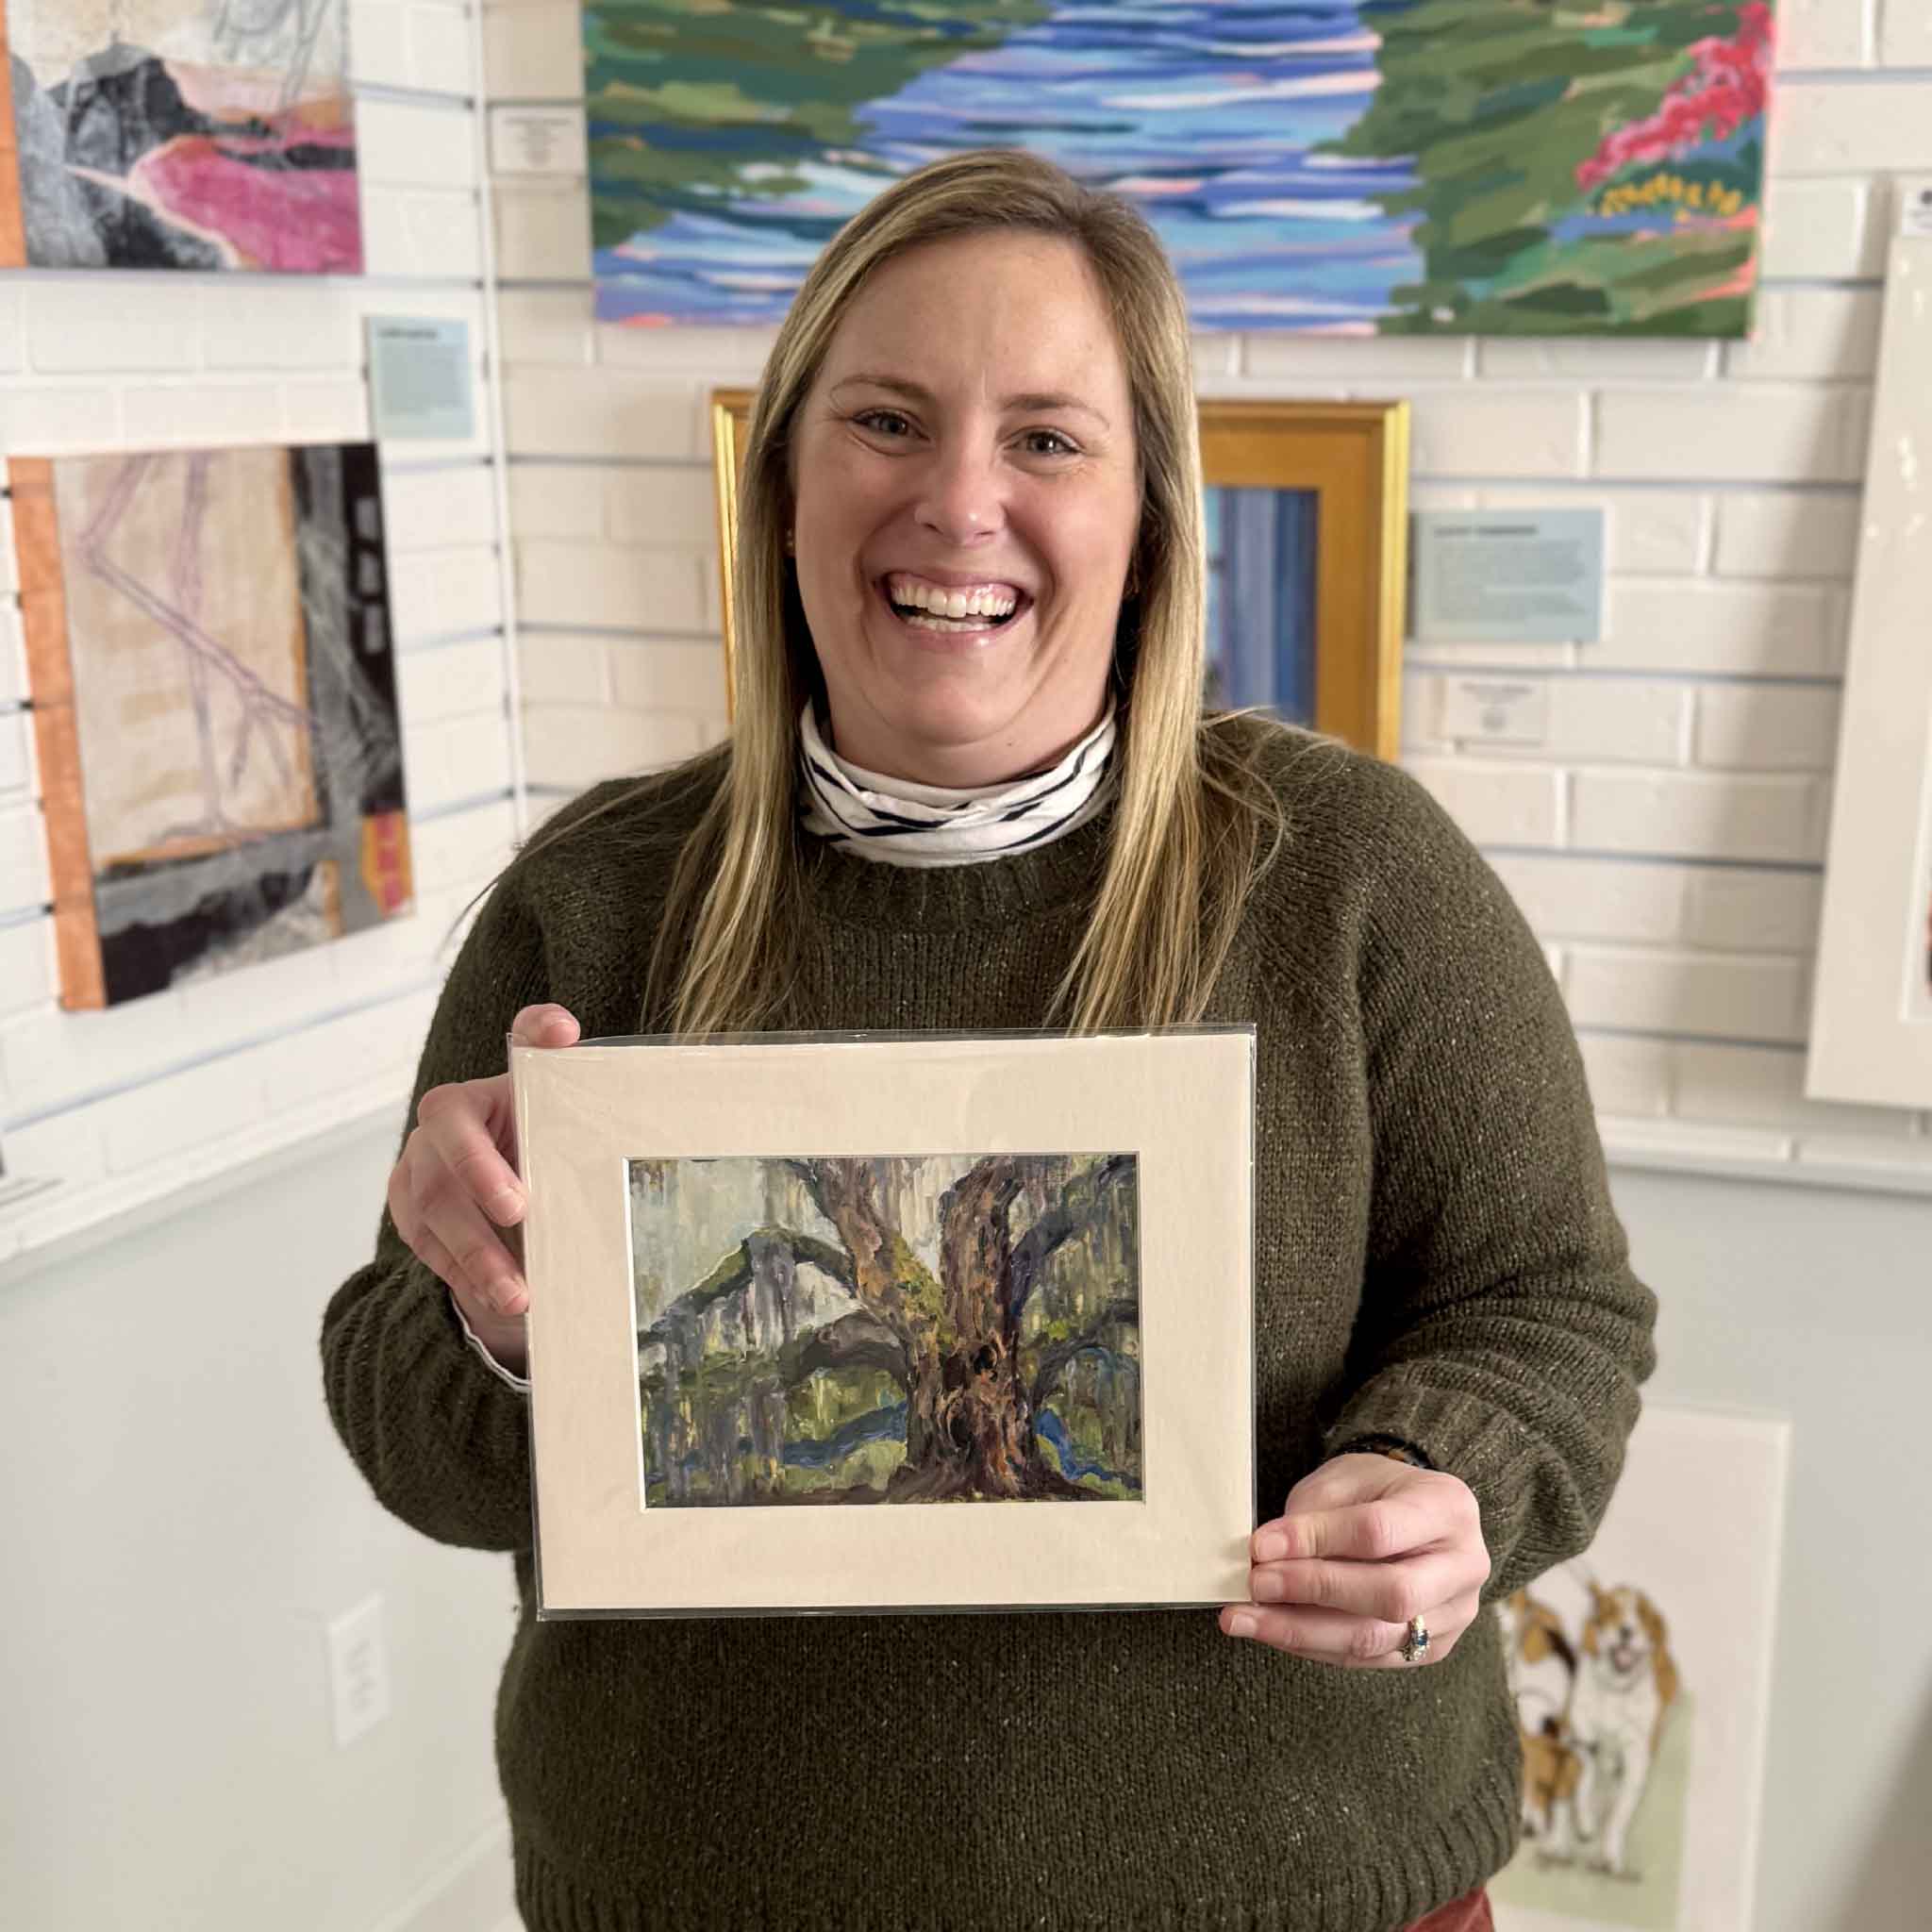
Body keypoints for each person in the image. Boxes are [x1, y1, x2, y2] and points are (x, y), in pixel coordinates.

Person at [323, 148, 1657, 1932]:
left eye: (1046, 437)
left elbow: (1550, 1308)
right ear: (781, 478)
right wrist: (488, 1324)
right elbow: (424, 1446)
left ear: (1146, 515)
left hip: (1300, 1895)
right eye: (886, 419)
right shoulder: (594, 908)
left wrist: (1441, 1478)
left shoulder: (1351, 878)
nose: (961, 503)